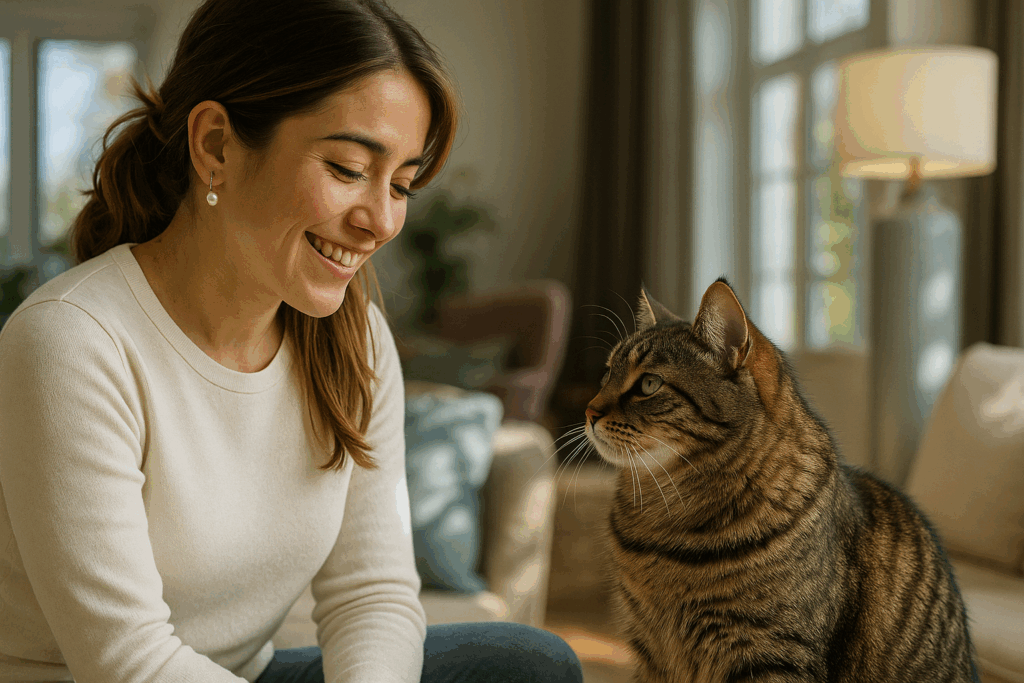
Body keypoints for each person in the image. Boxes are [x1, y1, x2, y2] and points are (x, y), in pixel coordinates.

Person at [0, 1, 584, 681]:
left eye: (402, 184)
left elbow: (373, 591)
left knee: (526, 664)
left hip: (243, 673)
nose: (381, 221)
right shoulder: (72, 341)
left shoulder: (352, 337)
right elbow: (127, 660)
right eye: (345, 168)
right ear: (216, 144)